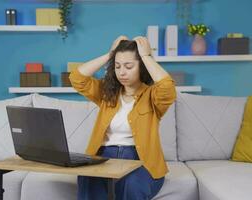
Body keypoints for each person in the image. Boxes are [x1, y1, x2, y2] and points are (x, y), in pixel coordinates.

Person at [69, 35, 176, 200]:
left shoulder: (152, 96)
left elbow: (167, 87)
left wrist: (146, 56)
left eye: (128, 66)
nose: (122, 72)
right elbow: (77, 78)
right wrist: (109, 55)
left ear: (141, 67)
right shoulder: (107, 93)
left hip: (140, 160)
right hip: (104, 156)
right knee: (87, 178)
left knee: (131, 183)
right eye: (117, 66)